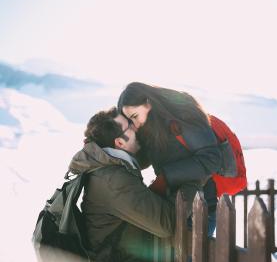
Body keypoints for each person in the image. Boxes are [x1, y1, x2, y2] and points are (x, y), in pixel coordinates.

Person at [68, 107, 175, 262]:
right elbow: (165, 224)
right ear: (119, 142)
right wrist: (180, 179)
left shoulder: (107, 169)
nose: (137, 126)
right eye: (131, 125)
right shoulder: (113, 180)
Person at [117, 82, 223, 236]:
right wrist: (115, 154)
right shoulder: (149, 125)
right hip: (171, 205)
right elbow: (147, 157)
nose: (135, 124)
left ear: (148, 103)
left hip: (200, 209)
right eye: (130, 120)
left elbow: (212, 158)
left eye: (134, 116)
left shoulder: (183, 114)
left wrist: (166, 177)